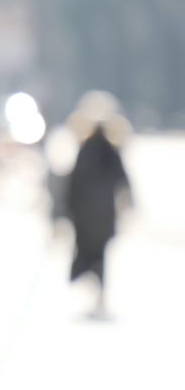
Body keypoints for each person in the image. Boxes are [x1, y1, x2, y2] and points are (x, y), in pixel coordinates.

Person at [67, 122, 130, 318]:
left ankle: (94, 296)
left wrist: (67, 210)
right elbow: (124, 180)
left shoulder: (85, 151)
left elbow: (73, 183)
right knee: (100, 257)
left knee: (87, 254)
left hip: (85, 217)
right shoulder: (111, 152)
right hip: (104, 217)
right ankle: (97, 295)